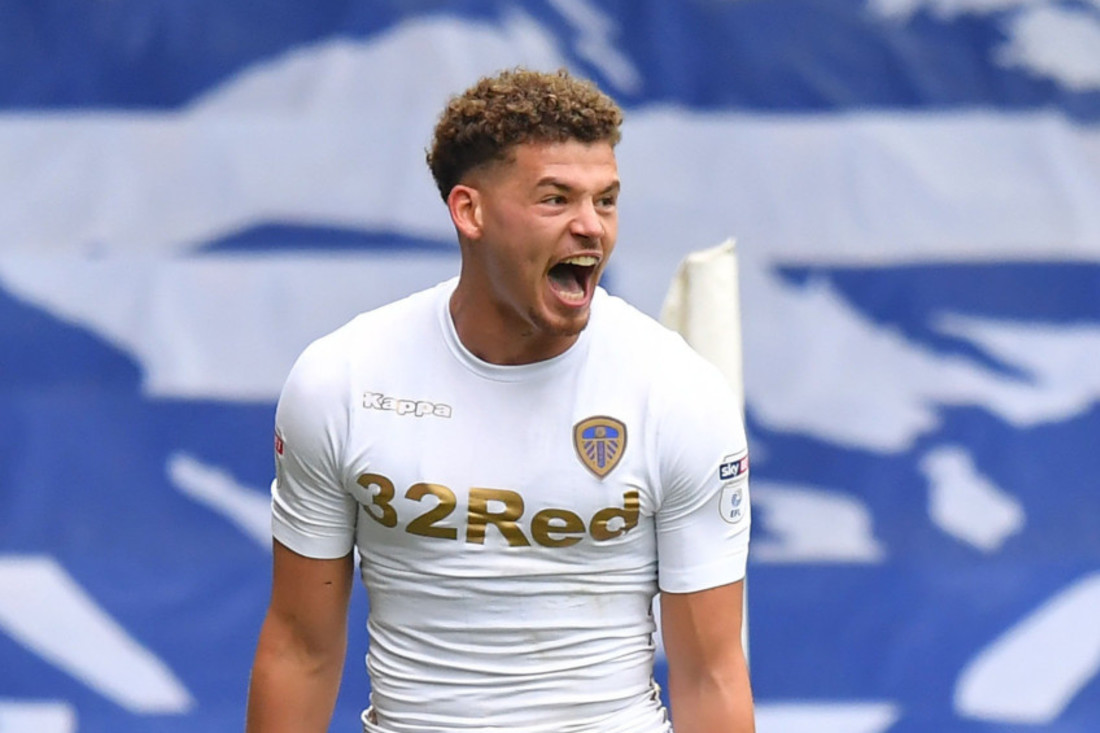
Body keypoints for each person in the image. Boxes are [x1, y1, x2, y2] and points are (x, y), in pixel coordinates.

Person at [245, 68, 754, 733]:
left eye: (606, 200)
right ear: (469, 211)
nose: (590, 227)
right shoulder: (340, 380)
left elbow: (709, 673)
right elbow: (299, 648)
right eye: (555, 199)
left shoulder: (678, 391)